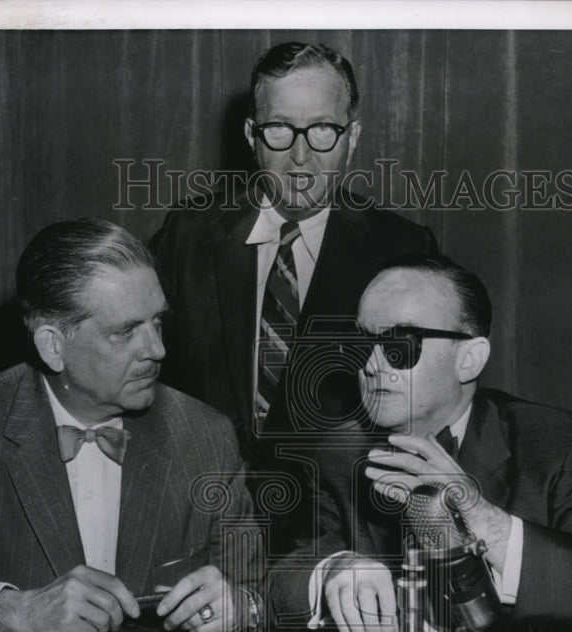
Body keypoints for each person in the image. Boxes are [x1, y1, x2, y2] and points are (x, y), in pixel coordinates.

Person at [0, 219, 262, 632]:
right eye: (125, 331)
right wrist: (14, 610)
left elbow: (253, 589)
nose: (157, 349)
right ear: (53, 345)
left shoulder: (205, 435)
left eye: (157, 322)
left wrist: (241, 605)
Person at [267, 254, 572, 632]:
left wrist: (486, 521)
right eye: (360, 342)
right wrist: (334, 569)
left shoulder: (556, 445)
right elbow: (279, 578)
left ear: (469, 359)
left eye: (399, 345)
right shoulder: (335, 453)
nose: (370, 365)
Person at [150, 41, 437, 462]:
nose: (300, 157)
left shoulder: (401, 250)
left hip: (340, 514)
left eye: (322, 129)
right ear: (252, 135)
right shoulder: (188, 234)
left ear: (351, 137)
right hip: (205, 500)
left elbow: (423, 404)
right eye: (279, 128)